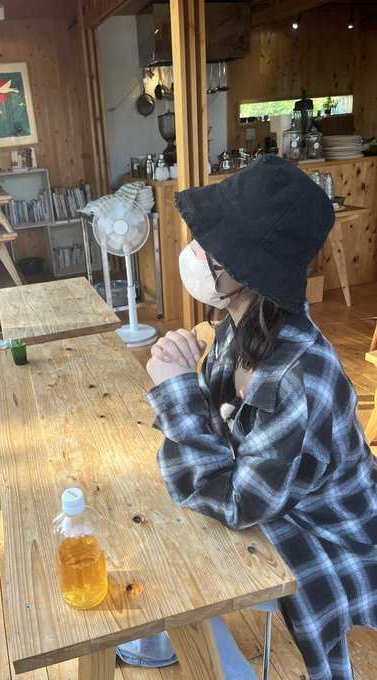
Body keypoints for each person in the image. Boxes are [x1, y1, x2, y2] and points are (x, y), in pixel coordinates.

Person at [139, 155, 377, 680]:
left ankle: (207, 656)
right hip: (271, 495)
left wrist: (177, 393)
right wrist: (185, 380)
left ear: (246, 273)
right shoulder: (239, 323)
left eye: (210, 246)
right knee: (160, 520)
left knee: (179, 546)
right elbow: (220, 436)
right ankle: (178, 641)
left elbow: (237, 502)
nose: (193, 251)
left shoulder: (298, 378)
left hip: (331, 530)